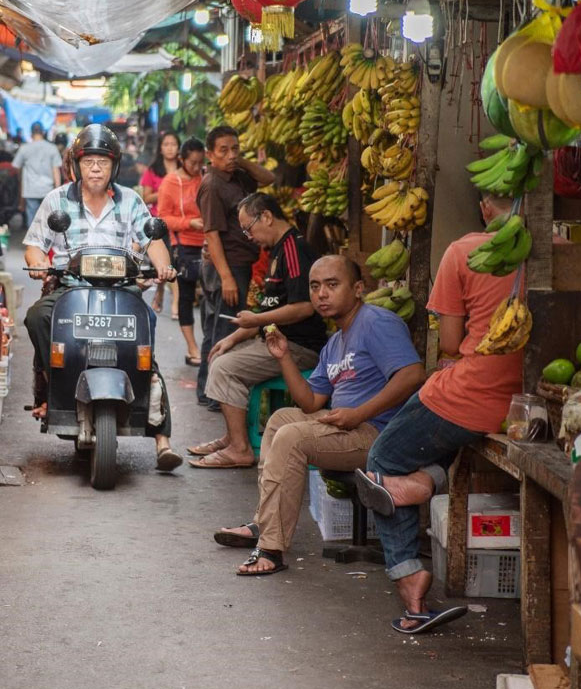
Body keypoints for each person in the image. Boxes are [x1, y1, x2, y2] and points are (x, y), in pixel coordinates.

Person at [354, 193, 523, 635]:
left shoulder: (463, 251)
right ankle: (423, 483)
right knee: (434, 453)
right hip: (525, 405)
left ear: (485, 205)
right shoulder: (551, 254)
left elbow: (449, 343)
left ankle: (411, 583)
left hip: (473, 394)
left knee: (382, 462)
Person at [214, 256, 424, 575]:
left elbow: (412, 375)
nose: (321, 294)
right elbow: (311, 402)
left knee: (292, 437)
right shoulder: (334, 343)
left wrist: (357, 414)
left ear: (357, 289)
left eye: (332, 284)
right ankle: (264, 524)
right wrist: (283, 356)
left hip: (380, 436)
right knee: (282, 419)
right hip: (350, 427)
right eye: (314, 287)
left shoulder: (376, 321)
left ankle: (271, 549)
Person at [22, 124, 182, 473]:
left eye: (103, 162)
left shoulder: (131, 201)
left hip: (122, 287)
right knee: (38, 317)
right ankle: (54, 386)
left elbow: (153, 240)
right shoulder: (57, 200)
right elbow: (35, 243)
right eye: (89, 161)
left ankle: (160, 433)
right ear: (76, 165)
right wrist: (37, 265)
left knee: (146, 329)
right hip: (70, 287)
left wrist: (163, 267)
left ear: (115, 166)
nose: (95, 168)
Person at [190, 192, 327, 468]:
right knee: (221, 355)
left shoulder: (293, 249)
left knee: (225, 367)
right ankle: (232, 437)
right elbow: (267, 312)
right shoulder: (278, 249)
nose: (248, 236)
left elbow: (304, 307)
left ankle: (240, 449)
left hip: (298, 347)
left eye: (248, 228)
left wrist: (254, 322)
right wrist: (234, 336)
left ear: (266, 216)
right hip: (278, 340)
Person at [196, 126, 276, 409]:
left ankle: (209, 391)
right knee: (224, 329)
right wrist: (227, 277)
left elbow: (269, 178)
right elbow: (212, 234)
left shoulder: (237, 176)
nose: (230, 155)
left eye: (235, 149)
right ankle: (214, 394)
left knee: (221, 325)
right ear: (209, 154)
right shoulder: (212, 185)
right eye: (223, 151)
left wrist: (239, 160)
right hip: (226, 266)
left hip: (240, 263)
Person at [156, 137, 206, 366]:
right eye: (193, 163)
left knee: (208, 297)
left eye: (200, 163)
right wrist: (189, 223)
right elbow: (163, 217)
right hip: (184, 245)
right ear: (182, 160)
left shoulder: (205, 178)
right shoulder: (170, 182)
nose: (197, 168)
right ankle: (192, 347)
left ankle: (207, 344)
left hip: (208, 245)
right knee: (185, 298)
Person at [140, 131, 179, 316]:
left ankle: (176, 304)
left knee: (176, 261)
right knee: (164, 261)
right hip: (159, 222)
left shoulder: (184, 168)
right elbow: (146, 196)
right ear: (161, 148)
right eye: (166, 144)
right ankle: (161, 291)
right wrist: (165, 190)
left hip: (181, 222)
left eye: (173, 144)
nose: (170, 148)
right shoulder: (153, 170)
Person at [13, 122, 63, 227]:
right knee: (48, 219)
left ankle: (33, 242)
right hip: (47, 190)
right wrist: (57, 191)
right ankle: (47, 241)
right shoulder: (52, 148)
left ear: (31, 133)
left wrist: (22, 181)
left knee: (32, 220)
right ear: (43, 132)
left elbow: (16, 167)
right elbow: (56, 171)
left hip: (31, 189)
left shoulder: (24, 148)